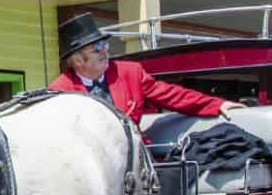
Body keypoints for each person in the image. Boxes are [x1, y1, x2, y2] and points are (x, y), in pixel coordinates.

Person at [47, 13, 241, 125]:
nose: (105, 51)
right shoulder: (60, 91)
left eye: (105, 44)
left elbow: (171, 95)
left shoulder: (130, 72)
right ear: (78, 61)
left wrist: (217, 104)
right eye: (97, 48)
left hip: (135, 159)